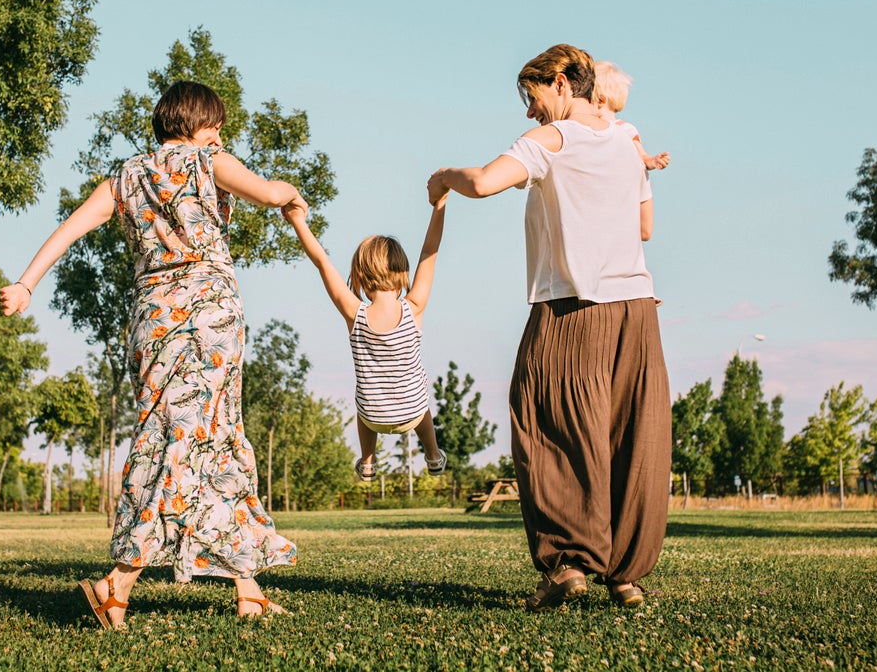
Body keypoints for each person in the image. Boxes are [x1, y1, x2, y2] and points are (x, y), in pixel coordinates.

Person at [0, 81, 304, 628]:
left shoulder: (128, 173)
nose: (220, 133)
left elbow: (71, 227)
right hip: (209, 319)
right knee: (185, 441)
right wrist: (291, 195)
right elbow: (268, 192)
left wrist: (25, 284)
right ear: (197, 123)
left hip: (153, 320)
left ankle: (248, 588)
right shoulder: (210, 158)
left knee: (204, 435)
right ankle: (117, 582)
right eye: (216, 123)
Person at [426, 44, 671, 610]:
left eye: (531, 96)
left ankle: (567, 563)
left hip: (571, 306)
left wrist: (443, 178)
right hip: (636, 307)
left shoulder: (552, 140)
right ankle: (627, 575)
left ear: (560, 82)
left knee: (543, 416)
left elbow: (486, 181)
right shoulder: (627, 141)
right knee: (630, 437)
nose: (530, 112)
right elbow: (645, 225)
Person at [281, 197, 448, 482]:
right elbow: (430, 251)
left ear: (359, 274)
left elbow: (322, 262)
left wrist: (297, 221)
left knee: (365, 398)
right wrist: (439, 205)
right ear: (403, 272)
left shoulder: (354, 313)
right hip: (412, 413)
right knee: (419, 400)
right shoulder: (415, 306)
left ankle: (368, 461)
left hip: (373, 415)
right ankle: (432, 454)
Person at [593, 60, 671, 171]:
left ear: (600, 99)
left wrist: (653, 160)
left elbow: (642, 157)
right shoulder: (586, 127)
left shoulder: (625, 129)